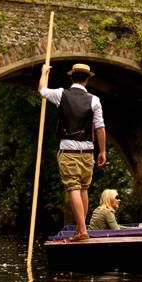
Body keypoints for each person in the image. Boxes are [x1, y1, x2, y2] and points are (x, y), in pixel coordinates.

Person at [39, 62, 107, 242]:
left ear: (71, 77)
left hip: (68, 151)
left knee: (73, 187)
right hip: (88, 151)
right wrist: (102, 151)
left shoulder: (61, 94)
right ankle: (80, 229)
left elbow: (42, 90)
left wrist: (44, 73)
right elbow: (100, 127)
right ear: (87, 79)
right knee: (83, 188)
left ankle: (82, 230)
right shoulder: (94, 100)